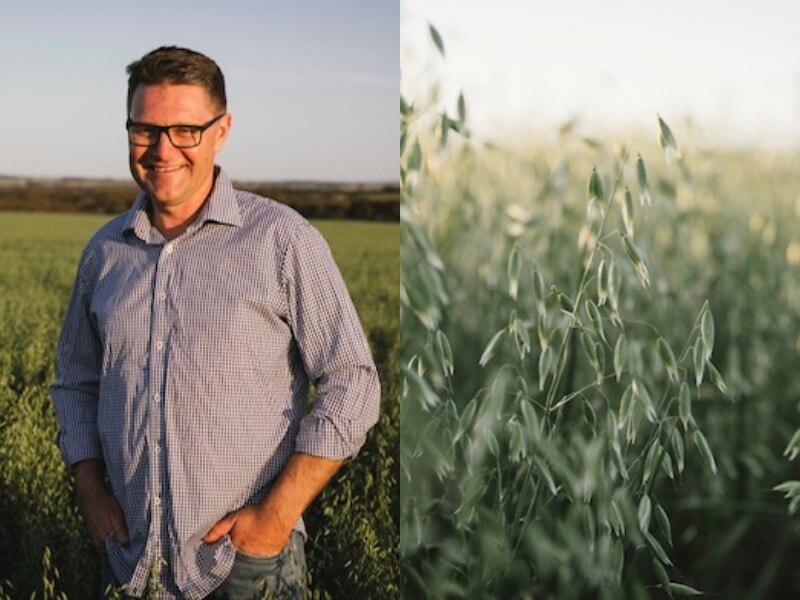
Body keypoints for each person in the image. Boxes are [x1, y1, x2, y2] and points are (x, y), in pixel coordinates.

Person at [50, 46, 381, 599]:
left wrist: (275, 518)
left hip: (246, 567)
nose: (162, 150)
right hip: (128, 561)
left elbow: (354, 382)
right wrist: (91, 493)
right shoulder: (104, 252)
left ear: (221, 130)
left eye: (185, 130)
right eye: (145, 129)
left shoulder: (281, 238)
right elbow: (75, 383)